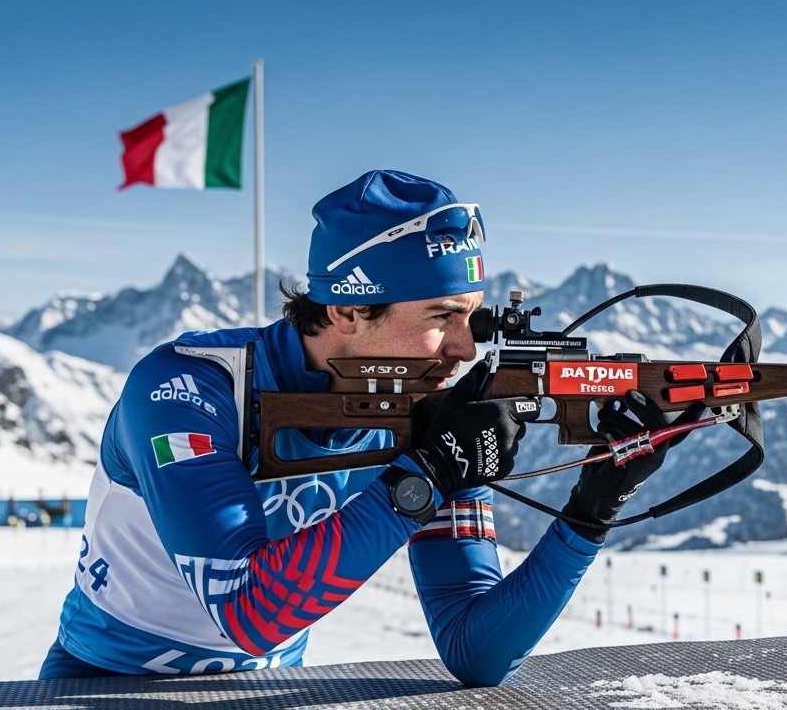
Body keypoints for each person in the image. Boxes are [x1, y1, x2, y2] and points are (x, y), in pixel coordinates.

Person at [40, 170, 684, 685]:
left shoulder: (423, 408)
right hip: (98, 682)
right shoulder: (185, 389)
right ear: (348, 306)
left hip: (270, 691)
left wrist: (592, 509)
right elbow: (246, 610)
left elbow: (477, 652)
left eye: (475, 319)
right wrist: (425, 477)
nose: (464, 349)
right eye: (442, 314)